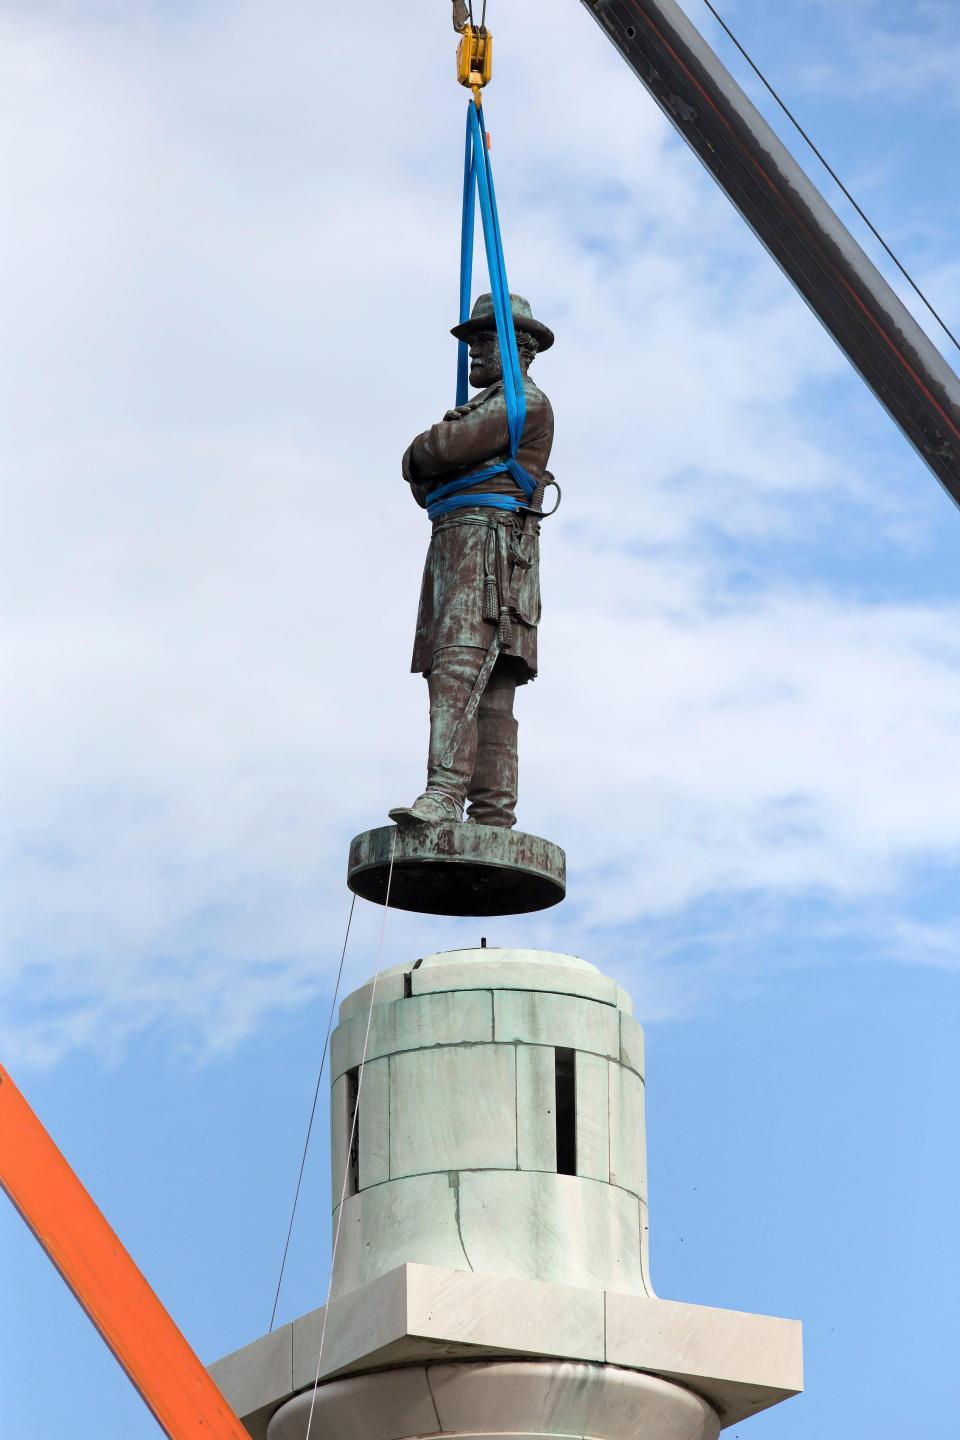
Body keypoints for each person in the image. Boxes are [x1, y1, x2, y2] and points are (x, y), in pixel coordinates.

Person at [389, 293, 555, 828]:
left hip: (489, 549)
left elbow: (436, 451)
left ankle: (449, 796)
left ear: (514, 347)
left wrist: (429, 453)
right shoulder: (497, 406)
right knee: (473, 676)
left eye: (483, 342)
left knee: (467, 669)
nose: (473, 354)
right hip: (466, 543)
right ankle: (490, 814)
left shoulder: (522, 403)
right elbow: (428, 477)